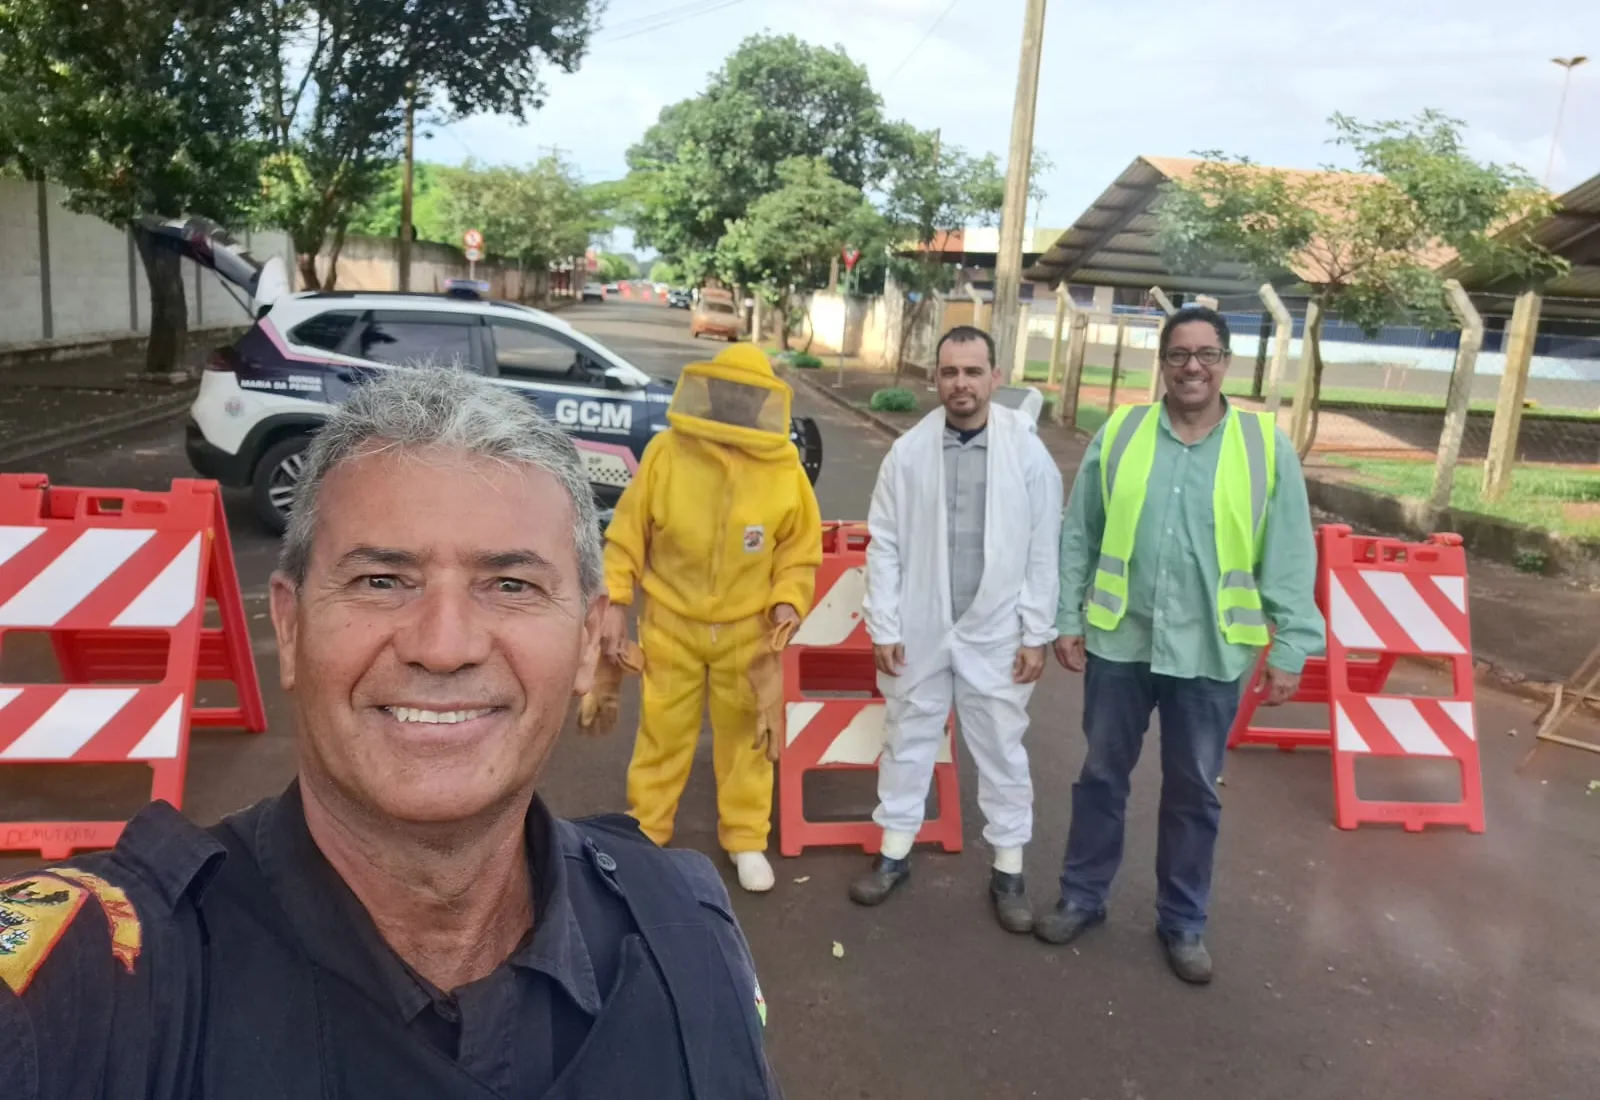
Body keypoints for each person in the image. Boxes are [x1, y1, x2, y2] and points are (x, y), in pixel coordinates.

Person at [0, 367, 784, 1099]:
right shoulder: (101, 976)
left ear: (586, 643)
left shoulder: (689, 930)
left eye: (509, 585)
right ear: (291, 625)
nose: (443, 646)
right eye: (382, 581)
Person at [1039, 304, 1325, 985]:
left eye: (1206, 354)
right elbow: (1079, 530)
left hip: (1211, 653)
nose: (1192, 366)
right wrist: (1066, 617)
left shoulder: (1264, 446)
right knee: (1102, 776)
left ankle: (1184, 921)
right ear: (1162, 363)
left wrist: (1292, 647)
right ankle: (1082, 895)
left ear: (1226, 364)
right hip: (1121, 642)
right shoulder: (1124, 431)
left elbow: (1288, 553)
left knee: (1194, 790)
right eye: (1178, 354)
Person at [848, 325, 1063, 933]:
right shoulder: (909, 453)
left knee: (1000, 745)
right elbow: (884, 542)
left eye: (973, 371)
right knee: (908, 733)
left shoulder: (1026, 452)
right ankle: (893, 854)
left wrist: (1035, 632)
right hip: (919, 624)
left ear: (996, 377)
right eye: (949, 372)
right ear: (934, 378)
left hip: (996, 628)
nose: (961, 383)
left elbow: (1045, 546)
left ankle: (1009, 868)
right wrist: (885, 622)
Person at [600, 343, 822, 895]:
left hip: (748, 633)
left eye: (748, 395)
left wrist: (789, 599)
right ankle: (646, 831)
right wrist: (614, 599)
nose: (737, 403)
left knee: (747, 735)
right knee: (662, 731)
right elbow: (627, 534)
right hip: (672, 623)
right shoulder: (667, 453)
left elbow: (799, 549)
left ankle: (746, 836)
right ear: (711, 392)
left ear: (763, 402)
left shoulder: (784, 468)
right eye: (729, 392)